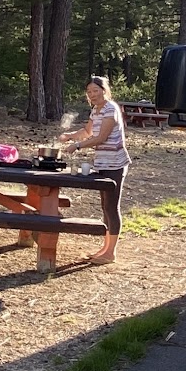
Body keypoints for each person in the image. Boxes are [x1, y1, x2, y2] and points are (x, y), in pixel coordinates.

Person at [59, 75, 130, 264]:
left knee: (112, 207)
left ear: (104, 90)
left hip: (115, 164)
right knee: (105, 207)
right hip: (102, 163)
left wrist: (78, 146)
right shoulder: (96, 110)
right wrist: (70, 136)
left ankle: (111, 253)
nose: (92, 94)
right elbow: (88, 131)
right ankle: (105, 248)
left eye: (96, 91)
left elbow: (101, 137)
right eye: (89, 92)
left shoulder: (110, 109)